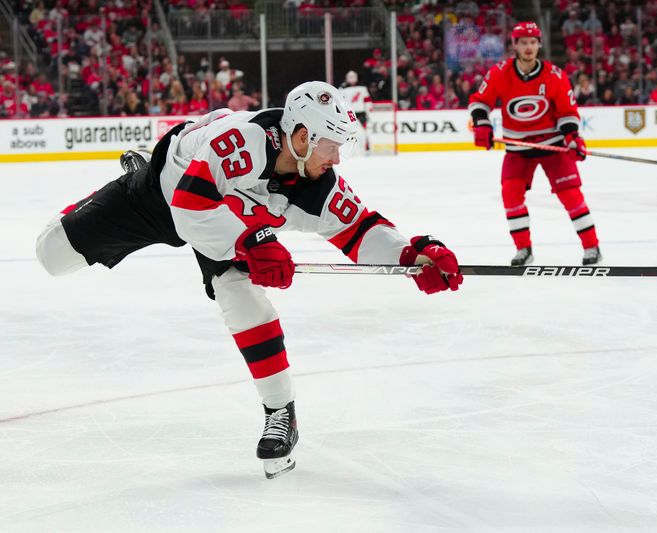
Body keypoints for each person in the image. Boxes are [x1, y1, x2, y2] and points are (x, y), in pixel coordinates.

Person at [35, 81, 463, 479]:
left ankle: (281, 414)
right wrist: (253, 241)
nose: (336, 159)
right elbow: (189, 205)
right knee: (52, 256)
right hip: (165, 193)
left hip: (229, 221)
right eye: (330, 147)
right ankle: (138, 168)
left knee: (243, 298)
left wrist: (412, 256)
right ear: (301, 138)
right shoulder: (241, 141)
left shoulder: (317, 181)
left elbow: (359, 228)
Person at [468, 21, 601, 266]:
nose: (528, 47)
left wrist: (572, 137)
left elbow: (567, 112)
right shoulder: (499, 72)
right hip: (517, 148)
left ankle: (592, 247)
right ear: (515, 45)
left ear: (539, 44)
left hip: (552, 145)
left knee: (571, 195)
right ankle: (523, 250)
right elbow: (479, 102)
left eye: (532, 42)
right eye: (523, 42)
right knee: (510, 195)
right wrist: (482, 123)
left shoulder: (554, 75)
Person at [338, 70, 371, 153]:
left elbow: (367, 100)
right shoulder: (342, 89)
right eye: (350, 77)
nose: (352, 79)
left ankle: (366, 148)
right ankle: (349, 149)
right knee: (349, 132)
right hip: (349, 114)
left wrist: (369, 110)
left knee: (364, 132)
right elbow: (340, 101)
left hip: (361, 113)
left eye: (353, 77)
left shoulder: (362, 87)